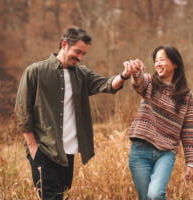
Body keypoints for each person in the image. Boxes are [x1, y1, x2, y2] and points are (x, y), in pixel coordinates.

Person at [15, 26, 137, 199]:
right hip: (44, 150)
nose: (80, 58)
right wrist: (33, 147)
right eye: (77, 52)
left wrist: (125, 74)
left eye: (83, 54)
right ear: (64, 44)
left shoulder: (81, 74)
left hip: (68, 152)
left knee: (63, 195)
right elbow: (21, 112)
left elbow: (108, 84)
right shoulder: (35, 72)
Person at [124, 46, 193, 200]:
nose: (158, 63)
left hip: (165, 153)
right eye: (156, 60)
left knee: (156, 194)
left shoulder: (186, 96)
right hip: (140, 151)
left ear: (175, 63)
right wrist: (136, 71)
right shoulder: (151, 83)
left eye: (162, 59)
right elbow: (139, 83)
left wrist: (191, 163)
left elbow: (191, 130)